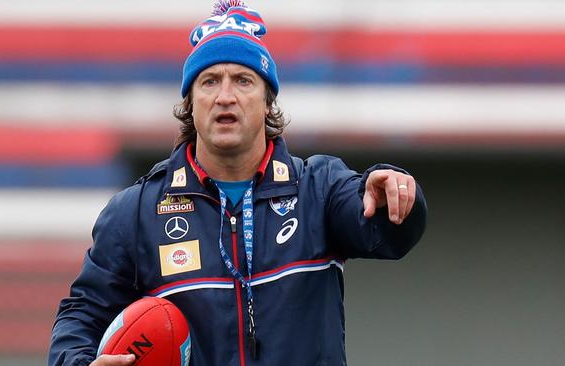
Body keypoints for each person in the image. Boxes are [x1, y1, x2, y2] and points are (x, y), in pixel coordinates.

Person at [48, 1, 427, 365]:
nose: (225, 97)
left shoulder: (318, 189)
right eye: (210, 81)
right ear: (190, 103)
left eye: (243, 80)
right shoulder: (137, 212)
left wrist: (395, 195)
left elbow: (386, 232)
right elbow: (81, 316)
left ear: (267, 101)